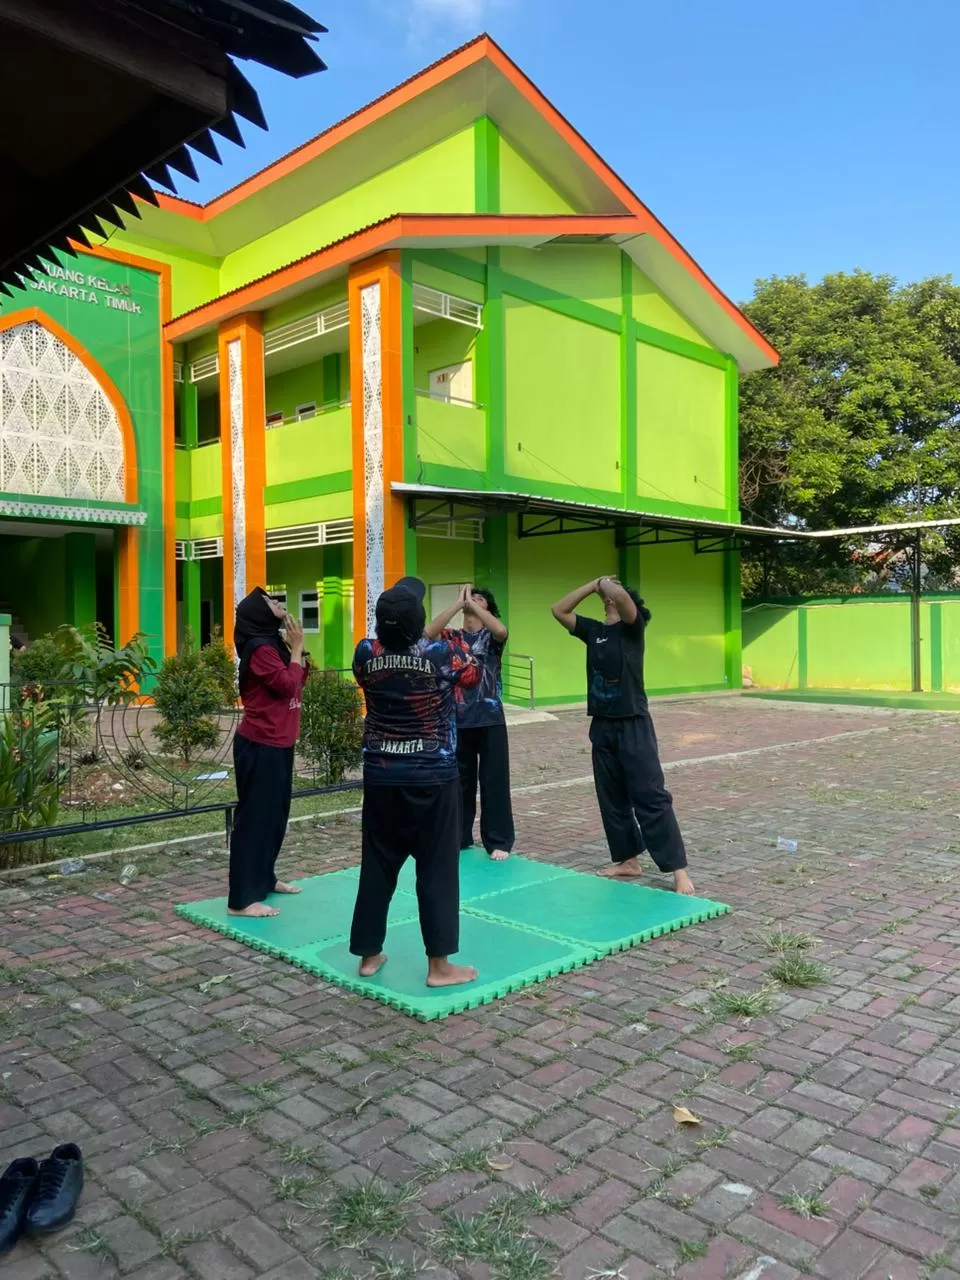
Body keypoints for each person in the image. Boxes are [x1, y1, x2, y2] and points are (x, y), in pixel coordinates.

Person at [351, 576, 480, 988]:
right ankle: (439, 967)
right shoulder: (442, 655)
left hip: (381, 775)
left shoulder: (364, 653)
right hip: (433, 776)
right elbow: (473, 676)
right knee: (437, 870)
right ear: (419, 623)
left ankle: (369, 954)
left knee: (377, 866)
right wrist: (454, 630)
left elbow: (395, 651)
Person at [551, 575, 695, 895]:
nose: (608, 597)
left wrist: (609, 586)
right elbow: (558, 610)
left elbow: (625, 602)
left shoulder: (633, 628)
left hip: (633, 724)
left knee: (650, 796)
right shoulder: (594, 631)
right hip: (602, 725)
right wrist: (593, 584)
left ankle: (678, 870)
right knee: (612, 798)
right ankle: (629, 861)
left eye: (612, 594)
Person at [227, 587, 308, 918]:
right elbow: (287, 685)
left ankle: (265, 878)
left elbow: (300, 677)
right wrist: (297, 648)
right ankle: (241, 900)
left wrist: (295, 649)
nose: (277, 603)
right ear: (259, 614)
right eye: (270, 602)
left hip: (280, 741)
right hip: (261, 743)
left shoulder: (274, 643)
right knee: (255, 821)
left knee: (275, 818)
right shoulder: (260, 648)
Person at [425, 585, 514, 861]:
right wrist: (457, 604)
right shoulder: (453, 637)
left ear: (488, 608)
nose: (472, 601)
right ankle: (459, 836)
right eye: (471, 597)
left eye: (480, 599)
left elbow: (502, 631)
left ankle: (498, 840)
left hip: (489, 719)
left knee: (494, 781)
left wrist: (472, 605)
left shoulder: (490, 636)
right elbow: (428, 634)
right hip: (458, 720)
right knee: (458, 783)